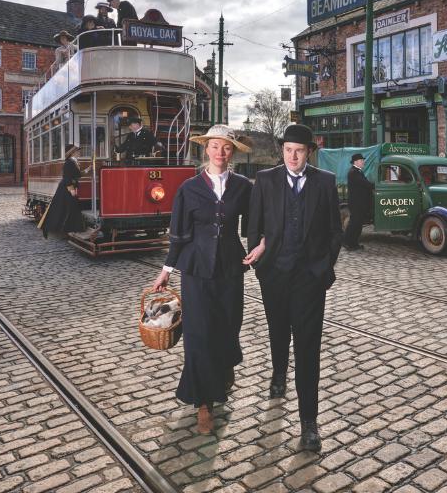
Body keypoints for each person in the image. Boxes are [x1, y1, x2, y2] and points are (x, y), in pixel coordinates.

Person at [245, 123, 342, 452]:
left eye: (299, 150)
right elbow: (253, 227)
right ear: (282, 150)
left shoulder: (325, 182)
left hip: (309, 279)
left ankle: (309, 422)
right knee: (277, 330)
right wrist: (260, 265)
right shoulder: (265, 181)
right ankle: (277, 374)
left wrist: (324, 269)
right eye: (288, 150)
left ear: (309, 152)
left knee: (308, 347)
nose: (293, 156)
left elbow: (334, 232)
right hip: (274, 274)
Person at [151, 124, 252, 434]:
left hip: (230, 269)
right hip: (195, 271)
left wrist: (261, 246)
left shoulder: (243, 186)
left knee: (229, 325)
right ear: (205, 149)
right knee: (198, 335)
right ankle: (203, 403)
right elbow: (178, 233)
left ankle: (223, 369)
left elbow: (255, 225)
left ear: (232, 152)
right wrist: (167, 270)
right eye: (214, 146)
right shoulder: (189, 188)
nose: (220, 152)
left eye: (226, 147)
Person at [38, 144, 89, 238]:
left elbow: (77, 175)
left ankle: (74, 228)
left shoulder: (74, 162)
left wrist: (88, 170)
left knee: (67, 209)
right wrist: (71, 189)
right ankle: (47, 227)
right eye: (77, 151)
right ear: (72, 153)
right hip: (66, 189)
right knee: (59, 210)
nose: (79, 153)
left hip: (68, 188)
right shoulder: (69, 163)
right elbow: (66, 177)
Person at [343, 153, 373, 250]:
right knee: (354, 224)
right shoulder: (353, 172)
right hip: (357, 204)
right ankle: (347, 243)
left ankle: (354, 243)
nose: (363, 162)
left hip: (360, 203)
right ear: (356, 162)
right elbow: (365, 184)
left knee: (358, 224)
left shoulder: (358, 172)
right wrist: (373, 185)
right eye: (361, 160)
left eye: (363, 160)